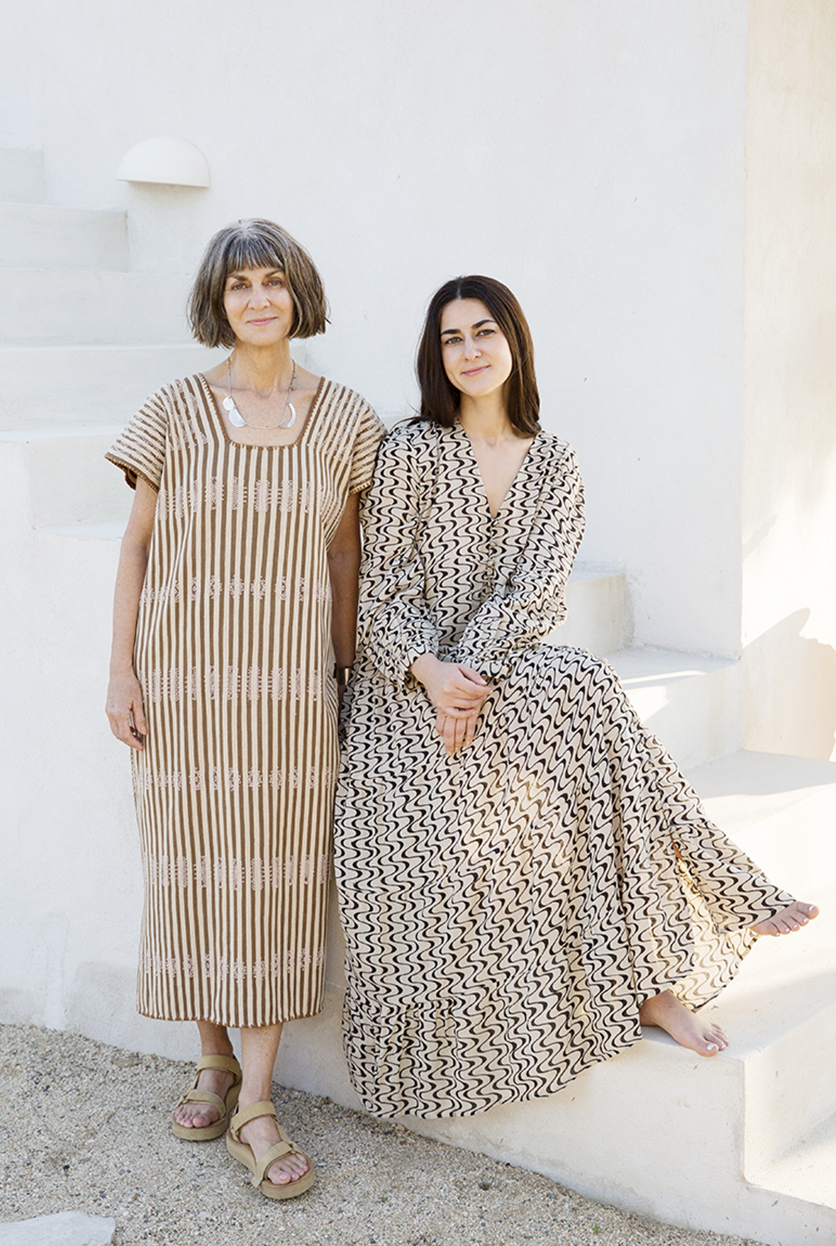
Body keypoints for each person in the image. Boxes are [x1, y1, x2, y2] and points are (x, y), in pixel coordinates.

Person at [334, 274, 818, 1120]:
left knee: (584, 689)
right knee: (584, 696)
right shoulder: (409, 448)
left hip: (493, 671)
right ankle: (705, 909)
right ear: (435, 355)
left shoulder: (553, 461)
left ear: (514, 341)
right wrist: (436, 679)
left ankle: (653, 974)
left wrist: (469, 681)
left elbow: (537, 595)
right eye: (452, 338)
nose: (471, 350)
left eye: (485, 331)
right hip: (402, 686)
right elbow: (381, 597)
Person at [105, 219, 383, 1195]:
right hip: (182, 686)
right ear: (216, 305)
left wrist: (351, 677)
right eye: (238, 287)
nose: (257, 299)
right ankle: (214, 1060)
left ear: (298, 294)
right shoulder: (173, 412)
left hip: (291, 693)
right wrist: (121, 673)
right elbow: (136, 547)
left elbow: (347, 557)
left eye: (272, 281)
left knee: (269, 882)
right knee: (192, 870)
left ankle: (256, 1104)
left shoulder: (347, 420)